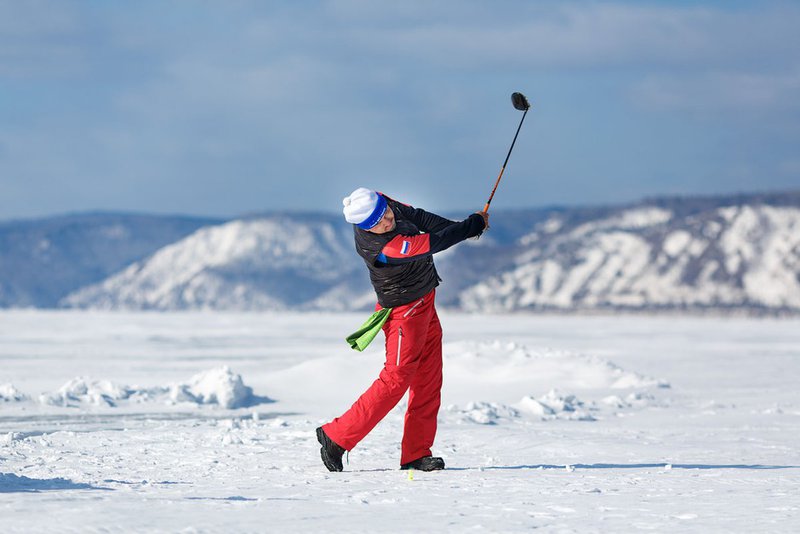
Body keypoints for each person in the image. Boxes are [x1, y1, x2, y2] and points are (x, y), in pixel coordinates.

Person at [316, 187, 489, 472]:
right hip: (403, 316)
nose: (386, 220)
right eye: (377, 223)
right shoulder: (387, 248)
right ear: (364, 227)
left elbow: (421, 218)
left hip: (426, 303)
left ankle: (416, 453)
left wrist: (464, 229)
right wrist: (472, 225)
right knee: (396, 379)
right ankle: (336, 437)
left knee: (429, 378)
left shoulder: (382, 202)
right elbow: (433, 243)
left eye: (385, 213)